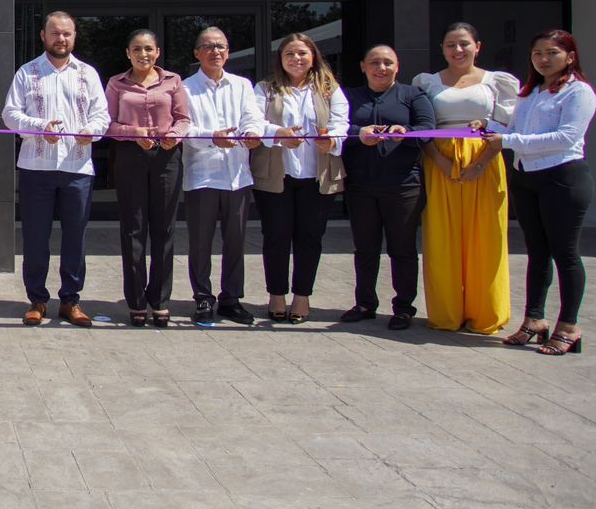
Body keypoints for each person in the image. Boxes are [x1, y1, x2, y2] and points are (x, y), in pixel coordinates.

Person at [486, 31, 596, 356]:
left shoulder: (579, 92)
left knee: (565, 253)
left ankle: (569, 326)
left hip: (563, 177)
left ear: (570, 56)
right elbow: (515, 132)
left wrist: (507, 142)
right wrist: (490, 129)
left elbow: (565, 137)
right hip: (527, 177)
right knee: (537, 252)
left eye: (552, 52)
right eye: (537, 53)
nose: (544, 59)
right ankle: (535, 319)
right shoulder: (529, 92)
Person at [2, 12, 110, 326]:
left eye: (66, 34)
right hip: (37, 166)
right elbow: (10, 115)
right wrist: (38, 127)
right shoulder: (28, 72)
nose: (60, 39)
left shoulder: (87, 73)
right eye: (54, 33)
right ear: (43, 35)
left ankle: (71, 301)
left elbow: (101, 115)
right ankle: (37, 300)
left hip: (77, 167)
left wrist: (92, 130)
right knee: (36, 237)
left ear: (74, 37)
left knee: (75, 237)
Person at [411, 22, 519, 334]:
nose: (457, 50)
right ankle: (447, 312)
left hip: (484, 160)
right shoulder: (428, 83)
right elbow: (423, 126)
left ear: (477, 46)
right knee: (442, 236)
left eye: (464, 44)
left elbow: (506, 125)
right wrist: (440, 161)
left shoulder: (497, 82)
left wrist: (481, 163)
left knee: (485, 237)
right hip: (440, 161)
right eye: (450, 45)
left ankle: (485, 313)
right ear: (442, 49)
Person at [251, 32, 349, 325]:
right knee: (276, 236)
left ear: (313, 57)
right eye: (290, 54)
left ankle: (302, 297)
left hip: (317, 176)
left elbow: (341, 122)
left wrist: (331, 140)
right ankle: (277, 294)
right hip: (276, 175)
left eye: (302, 53)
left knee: (310, 238)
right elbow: (254, 122)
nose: (296, 59)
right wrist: (277, 134)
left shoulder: (329, 87)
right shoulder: (266, 88)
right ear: (280, 59)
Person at [340, 45, 436, 330]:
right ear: (362, 66)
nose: (381, 68)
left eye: (387, 63)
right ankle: (365, 303)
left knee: (402, 249)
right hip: (361, 185)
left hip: (403, 186)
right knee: (365, 248)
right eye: (374, 62)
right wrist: (359, 134)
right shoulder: (350, 96)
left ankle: (404, 307)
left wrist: (404, 134)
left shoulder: (413, 95)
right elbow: (336, 128)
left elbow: (428, 130)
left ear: (397, 66)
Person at [180, 26, 265, 328]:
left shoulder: (242, 85)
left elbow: (253, 117)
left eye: (221, 46)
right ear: (197, 53)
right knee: (201, 242)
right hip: (203, 176)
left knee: (236, 241)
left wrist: (254, 132)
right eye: (209, 46)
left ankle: (231, 299)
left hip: (237, 175)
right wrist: (211, 138)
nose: (216, 51)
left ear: (228, 52)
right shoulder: (185, 88)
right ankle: (203, 297)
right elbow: (182, 129)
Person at [105, 28, 189, 327]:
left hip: (166, 158)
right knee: (133, 229)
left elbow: (184, 119)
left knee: (164, 230)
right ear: (128, 53)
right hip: (130, 157)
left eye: (149, 49)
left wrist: (174, 136)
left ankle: (160, 300)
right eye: (137, 49)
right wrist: (133, 133)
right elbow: (108, 125)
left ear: (157, 52)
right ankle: (137, 301)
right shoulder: (117, 83)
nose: (144, 54)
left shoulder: (173, 81)